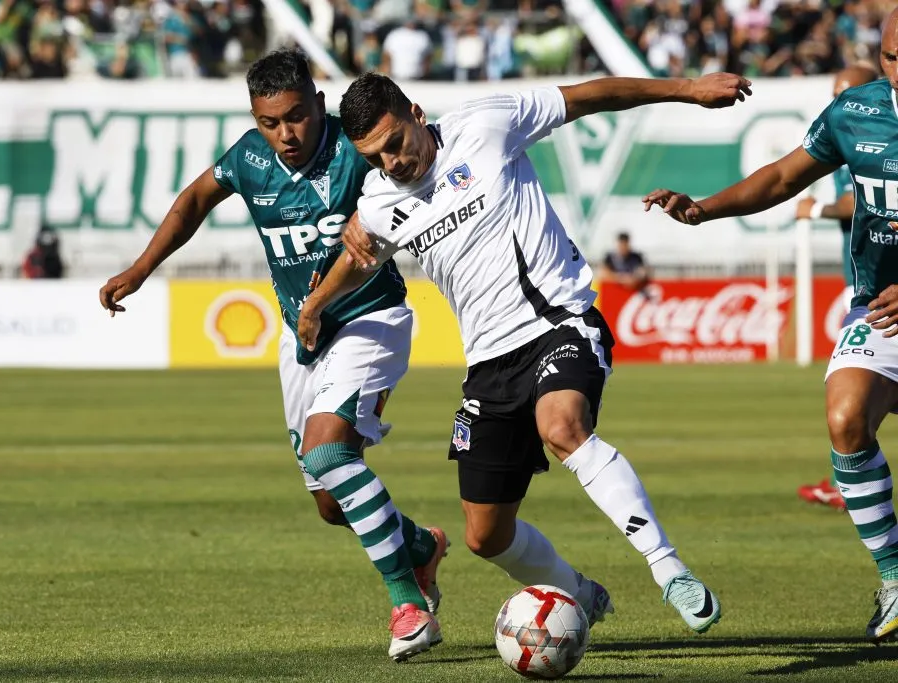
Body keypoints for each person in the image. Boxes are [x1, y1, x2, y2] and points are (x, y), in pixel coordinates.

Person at [299, 70, 752, 635]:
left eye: (394, 143)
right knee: (484, 536)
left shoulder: (486, 123)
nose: (391, 162)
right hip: (488, 363)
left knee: (561, 426)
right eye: (374, 157)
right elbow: (360, 254)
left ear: (416, 113)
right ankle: (581, 594)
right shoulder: (380, 200)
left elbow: (589, 97)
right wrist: (316, 303)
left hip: (558, 323)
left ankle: (669, 569)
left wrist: (687, 89)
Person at [98, 49, 448, 662]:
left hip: (371, 320)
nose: (285, 133)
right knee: (330, 502)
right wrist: (142, 267)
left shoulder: (356, 150)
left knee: (329, 453)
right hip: (302, 338)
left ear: (318, 103)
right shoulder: (249, 158)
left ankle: (409, 606)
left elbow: (422, 180)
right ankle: (419, 547)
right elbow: (194, 200)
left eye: (296, 116)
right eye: (269, 122)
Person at [642, 11, 898, 641]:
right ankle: (896, 577)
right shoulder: (856, 111)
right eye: (893, 57)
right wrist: (703, 210)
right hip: (882, 308)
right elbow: (783, 177)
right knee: (846, 417)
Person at [795, 65, 879, 513]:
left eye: (844, 93)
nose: (837, 102)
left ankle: (846, 484)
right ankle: (845, 482)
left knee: (856, 393)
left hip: (877, 292)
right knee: (854, 399)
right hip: (865, 287)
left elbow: (855, 201)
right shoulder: (848, 136)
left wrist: (816, 209)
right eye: (833, 93)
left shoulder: (871, 137)